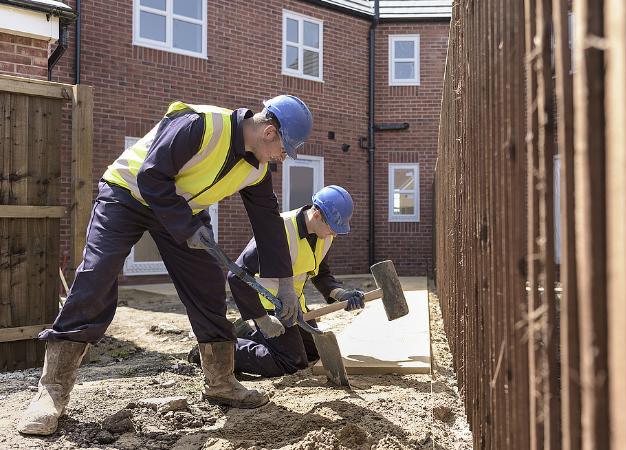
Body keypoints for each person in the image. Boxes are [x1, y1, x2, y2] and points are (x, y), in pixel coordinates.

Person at [18, 95, 313, 436]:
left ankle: (220, 382)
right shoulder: (200, 124)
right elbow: (152, 176)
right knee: (96, 277)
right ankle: (51, 393)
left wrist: (287, 285)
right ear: (269, 132)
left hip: (182, 209)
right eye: (284, 150)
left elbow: (268, 223)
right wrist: (187, 230)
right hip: (127, 194)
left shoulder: (257, 168)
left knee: (208, 288)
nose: (282, 159)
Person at [188, 185, 366, 377]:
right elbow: (236, 277)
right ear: (316, 215)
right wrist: (262, 319)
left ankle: (250, 334)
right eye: (333, 227)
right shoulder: (278, 229)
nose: (335, 234)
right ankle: (214, 349)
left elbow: (321, 275)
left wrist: (342, 294)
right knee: (290, 362)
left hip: (294, 306)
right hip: (267, 306)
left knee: (314, 352)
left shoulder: (324, 235)